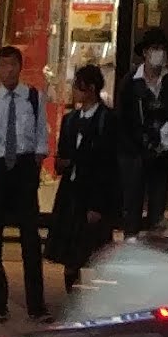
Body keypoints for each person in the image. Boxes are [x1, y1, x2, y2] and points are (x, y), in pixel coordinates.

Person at [0, 43, 50, 321]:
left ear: (20, 67)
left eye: (13, 65)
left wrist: (36, 163)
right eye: (3, 65)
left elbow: (42, 134)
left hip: (25, 167)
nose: (8, 70)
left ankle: (37, 305)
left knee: (30, 237)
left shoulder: (33, 97)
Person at [49, 62, 127, 287]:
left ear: (91, 88)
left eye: (78, 87)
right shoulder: (70, 120)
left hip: (94, 193)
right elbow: (62, 155)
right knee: (69, 253)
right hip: (71, 193)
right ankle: (71, 294)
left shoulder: (107, 120)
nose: (75, 91)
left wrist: (98, 204)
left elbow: (108, 166)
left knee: (94, 252)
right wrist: (62, 163)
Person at [124, 32, 168, 225]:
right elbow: (123, 118)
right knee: (133, 206)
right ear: (145, 52)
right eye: (155, 49)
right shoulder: (131, 82)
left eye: (162, 49)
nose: (159, 54)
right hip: (136, 155)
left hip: (161, 155)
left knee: (157, 209)